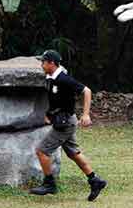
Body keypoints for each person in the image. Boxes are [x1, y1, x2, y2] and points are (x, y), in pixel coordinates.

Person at [29, 49, 107, 201]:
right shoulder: (51, 77)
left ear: (52, 63)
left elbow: (87, 91)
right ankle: (95, 180)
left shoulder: (64, 79)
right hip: (62, 120)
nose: (41, 65)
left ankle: (49, 184)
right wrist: (49, 113)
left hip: (65, 124)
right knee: (73, 153)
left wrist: (85, 114)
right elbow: (57, 99)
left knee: (42, 151)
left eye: (43, 62)